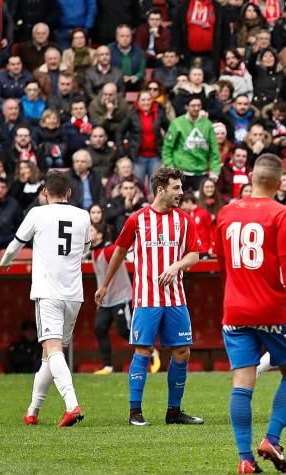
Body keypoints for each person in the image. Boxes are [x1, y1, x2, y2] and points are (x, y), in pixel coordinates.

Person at [212, 154, 286, 473]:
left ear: (251, 177)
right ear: (279, 183)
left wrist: (232, 296)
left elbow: (222, 266)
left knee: (242, 382)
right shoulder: (281, 213)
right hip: (272, 308)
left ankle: (244, 458)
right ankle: (271, 438)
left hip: (235, 309)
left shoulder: (225, 212)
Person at [95, 167, 205, 427]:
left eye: (181, 187)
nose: (180, 192)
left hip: (176, 299)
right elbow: (119, 252)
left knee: (182, 352)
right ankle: (135, 412)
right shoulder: (137, 219)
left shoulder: (184, 220)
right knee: (143, 350)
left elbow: (194, 255)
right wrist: (105, 285)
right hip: (146, 299)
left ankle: (174, 412)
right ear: (160, 190)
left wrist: (175, 266)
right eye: (176, 188)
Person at [0, 172, 90, 427]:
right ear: (69, 193)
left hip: (48, 291)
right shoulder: (82, 216)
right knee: (49, 355)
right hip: (74, 294)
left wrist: (4, 262)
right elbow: (86, 248)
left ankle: (72, 405)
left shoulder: (37, 214)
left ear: (45, 193)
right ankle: (32, 411)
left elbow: (16, 244)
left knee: (53, 349)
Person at [90, 243, 135, 375]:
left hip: (121, 297)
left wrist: (130, 252)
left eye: (93, 231)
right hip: (106, 300)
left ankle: (150, 350)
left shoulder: (109, 250)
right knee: (100, 328)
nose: (89, 233)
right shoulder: (93, 253)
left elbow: (123, 248)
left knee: (124, 331)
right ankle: (108, 366)